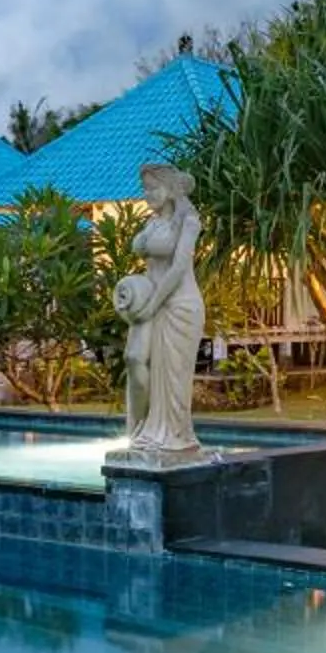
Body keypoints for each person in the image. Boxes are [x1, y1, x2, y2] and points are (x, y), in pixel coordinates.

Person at [121, 163, 205, 455]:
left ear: (169, 189)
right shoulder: (152, 224)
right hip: (151, 303)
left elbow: (179, 267)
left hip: (180, 306)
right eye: (144, 189)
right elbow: (139, 249)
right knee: (135, 359)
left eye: (152, 188)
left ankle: (173, 434)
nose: (147, 195)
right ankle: (141, 428)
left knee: (173, 377)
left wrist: (152, 305)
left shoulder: (189, 222)